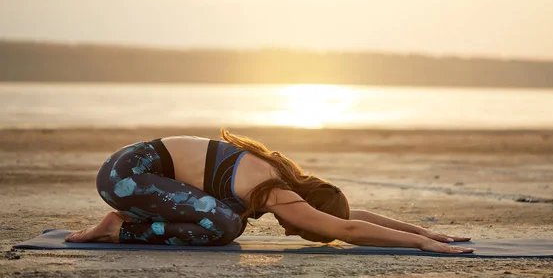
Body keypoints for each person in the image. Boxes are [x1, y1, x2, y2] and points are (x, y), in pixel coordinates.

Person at [65, 129, 474, 253]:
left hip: (134, 172)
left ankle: (129, 219)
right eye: (305, 228)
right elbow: (345, 231)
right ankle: (116, 229)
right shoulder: (273, 190)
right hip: (126, 176)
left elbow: (346, 220)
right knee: (224, 226)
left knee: (221, 219)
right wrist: (423, 248)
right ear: (305, 206)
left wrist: (421, 232)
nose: (293, 232)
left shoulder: (284, 180)